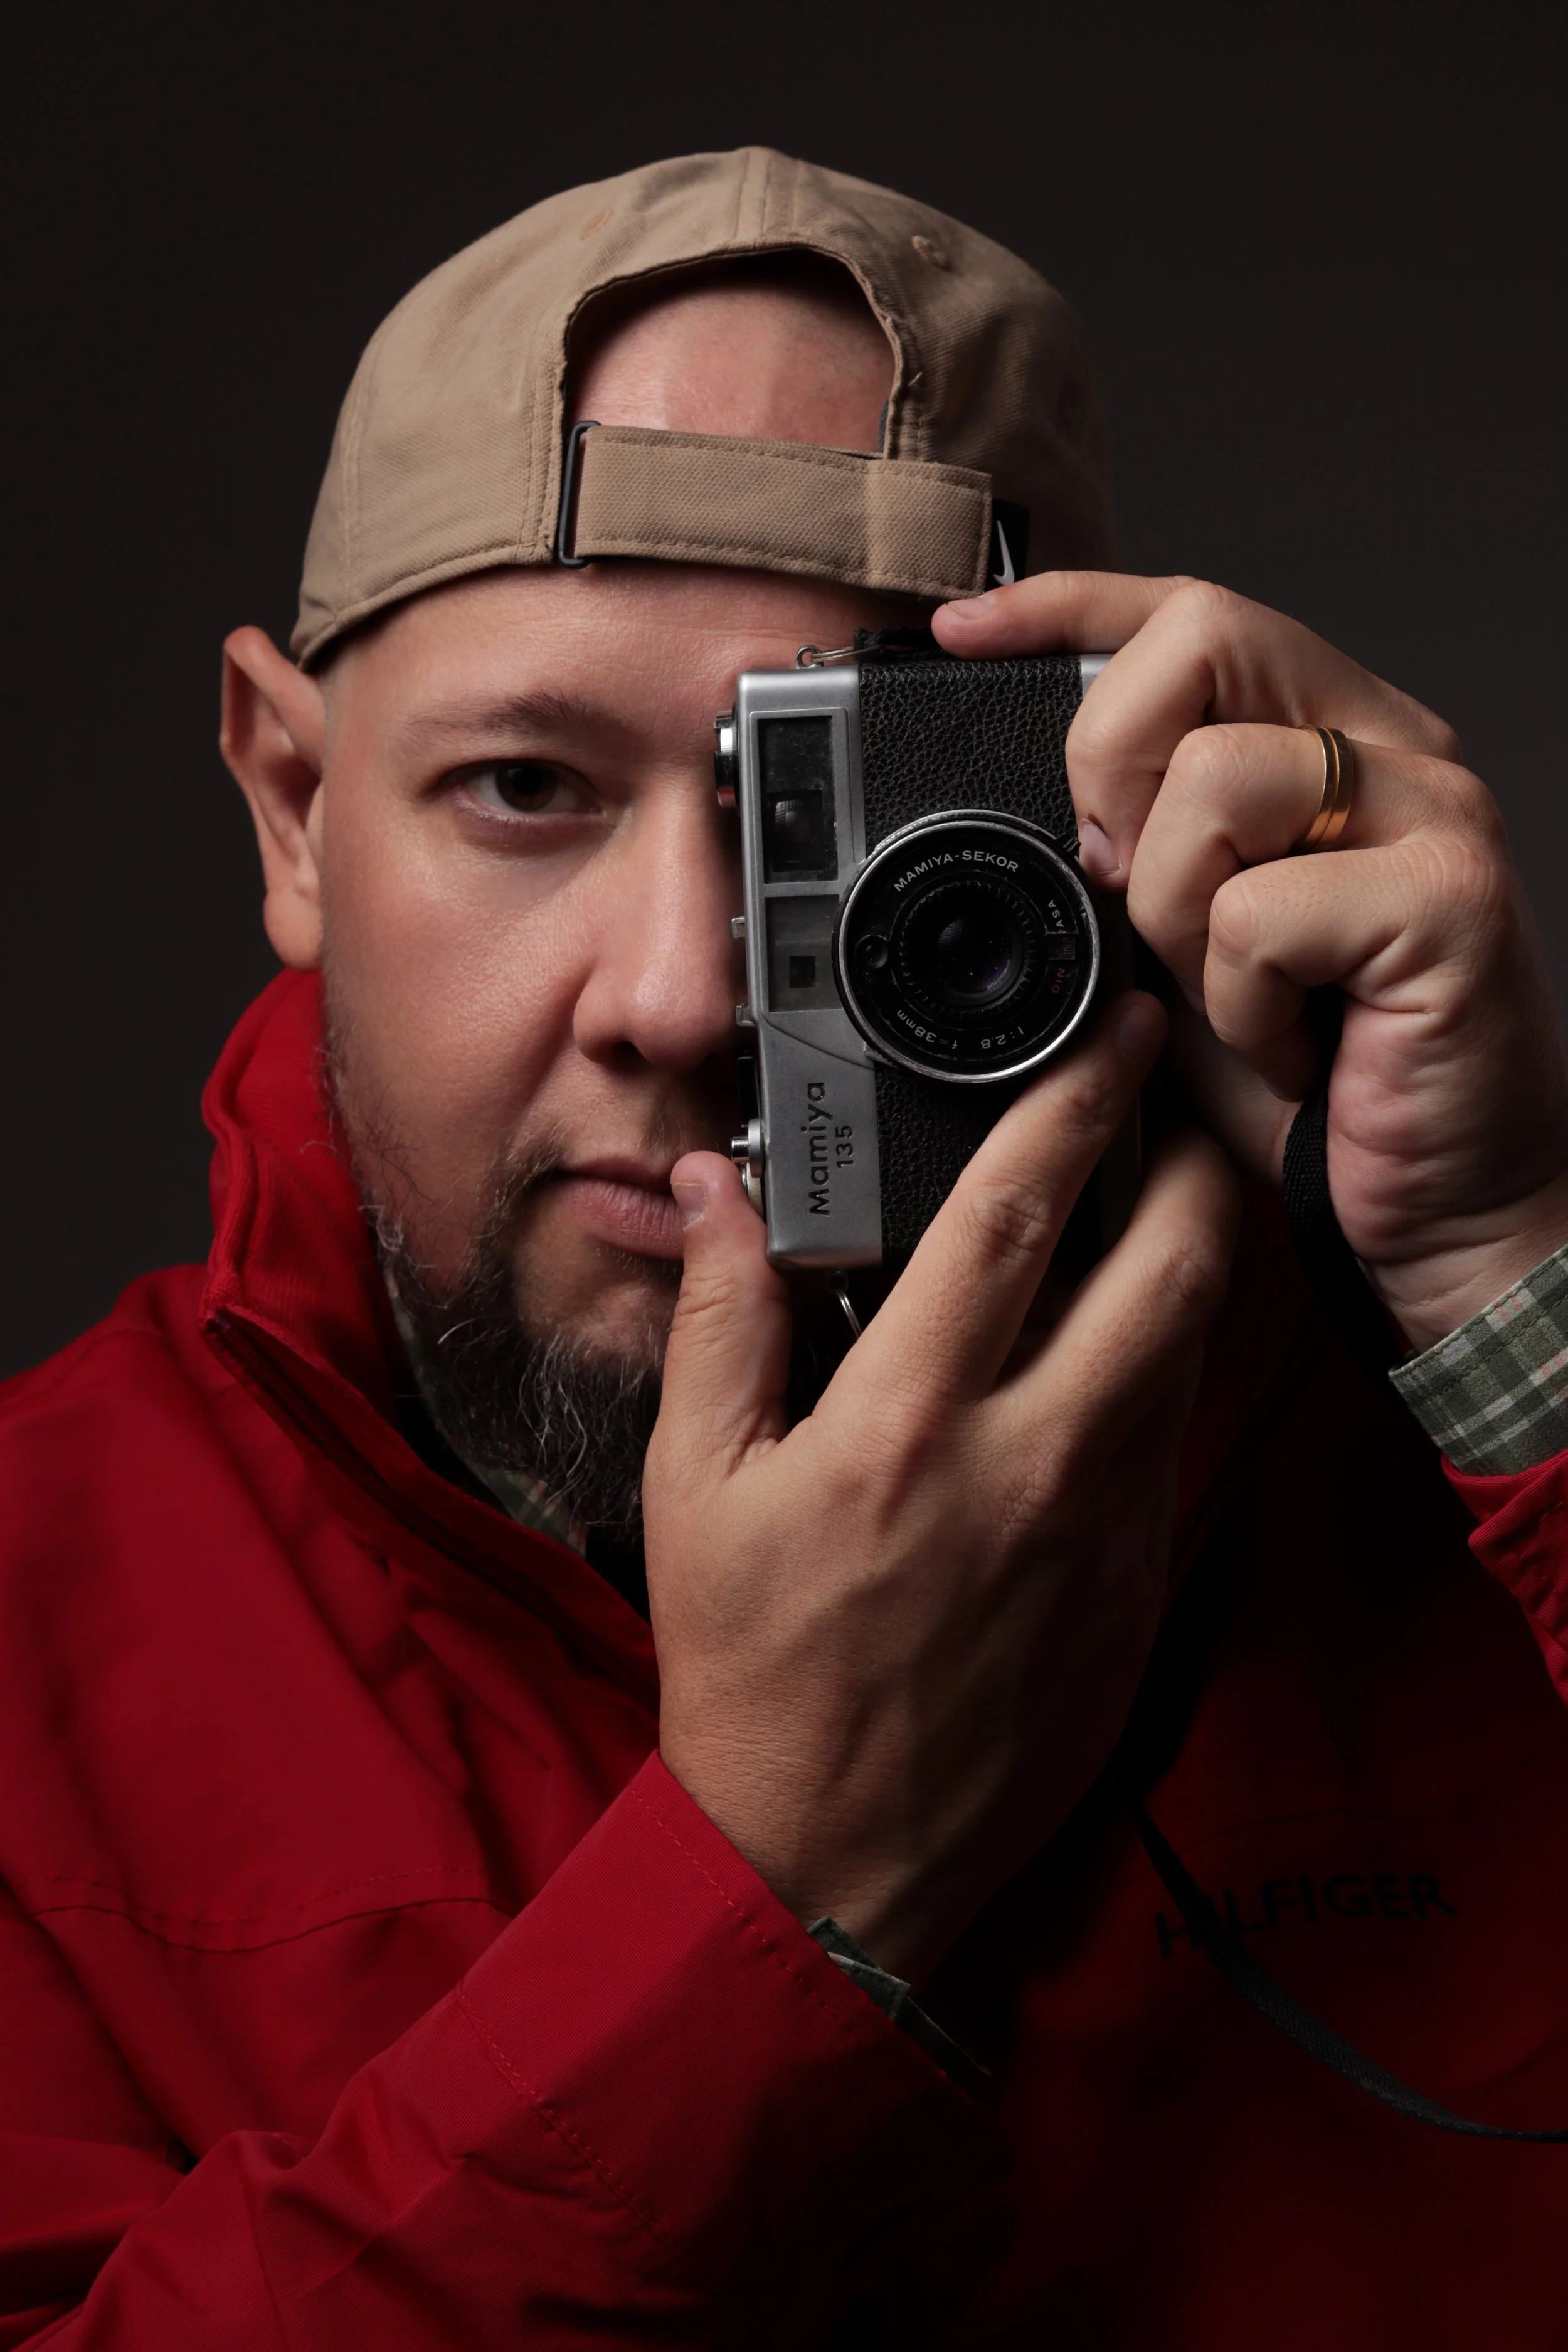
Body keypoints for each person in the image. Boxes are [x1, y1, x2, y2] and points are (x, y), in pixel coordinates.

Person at [5, 146, 1568, 2349]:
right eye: (525, 787)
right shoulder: (32, 1611)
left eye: (833, 817)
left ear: (1097, 814)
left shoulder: (1434, 1448)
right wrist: (774, 1891)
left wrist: (1512, 1298)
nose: (684, 992)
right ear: (290, 801)